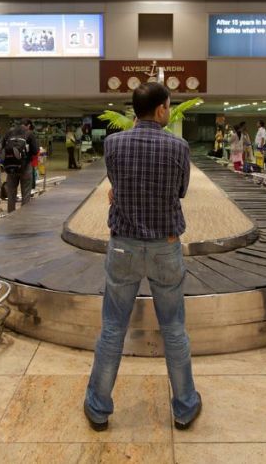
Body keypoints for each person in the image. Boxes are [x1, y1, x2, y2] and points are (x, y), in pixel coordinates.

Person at [84, 82, 201, 431]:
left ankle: (98, 407)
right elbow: (180, 191)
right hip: (165, 246)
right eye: (168, 105)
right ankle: (184, 406)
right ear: (162, 109)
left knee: (112, 328)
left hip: (123, 246)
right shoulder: (178, 147)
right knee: (175, 329)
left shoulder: (113, 144)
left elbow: (117, 185)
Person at [2, 118, 39, 213]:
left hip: (11, 167)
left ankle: (10, 214)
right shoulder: (29, 133)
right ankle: (23, 216)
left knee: (11, 193)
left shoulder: (9, 132)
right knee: (26, 193)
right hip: (25, 167)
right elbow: (35, 151)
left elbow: (2, 147)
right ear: (29, 125)